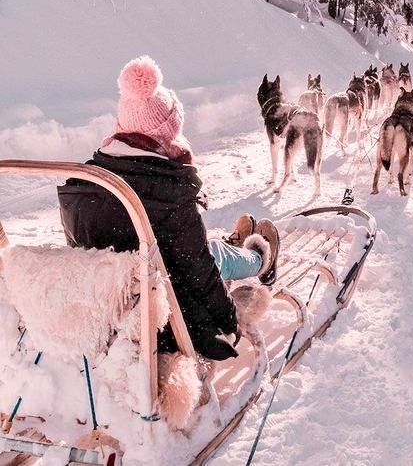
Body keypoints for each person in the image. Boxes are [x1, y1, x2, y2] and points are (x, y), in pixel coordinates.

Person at [58, 55, 280, 361]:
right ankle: (259, 259)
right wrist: (229, 320)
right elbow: (198, 269)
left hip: (112, 301)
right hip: (167, 302)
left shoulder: (83, 182)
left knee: (199, 249)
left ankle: (236, 249)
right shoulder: (168, 190)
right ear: (166, 133)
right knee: (211, 254)